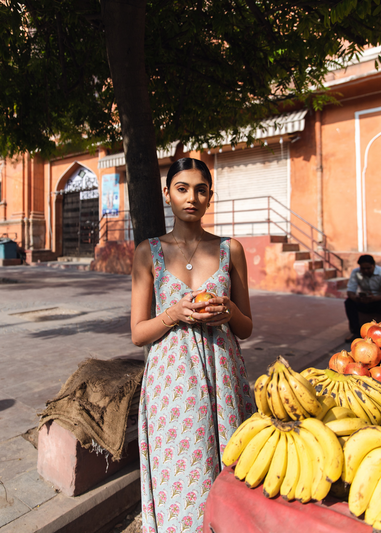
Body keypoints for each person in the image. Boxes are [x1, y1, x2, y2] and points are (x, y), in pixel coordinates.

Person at [131, 157, 255, 533]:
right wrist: (174, 314)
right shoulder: (147, 252)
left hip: (223, 375)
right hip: (172, 384)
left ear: (210, 197)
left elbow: (247, 328)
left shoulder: (229, 249)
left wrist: (229, 308)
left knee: (230, 470)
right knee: (183, 471)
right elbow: (138, 332)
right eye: (182, 188)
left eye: (201, 190)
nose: (192, 197)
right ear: (168, 194)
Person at [344, 254, 381, 342]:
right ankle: (356, 332)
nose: (365, 271)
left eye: (368, 268)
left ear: (374, 265)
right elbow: (350, 291)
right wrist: (356, 298)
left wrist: (375, 298)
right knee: (349, 302)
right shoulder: (356, 272)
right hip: (364, 301)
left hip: (378, 301)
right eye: (363, 268)